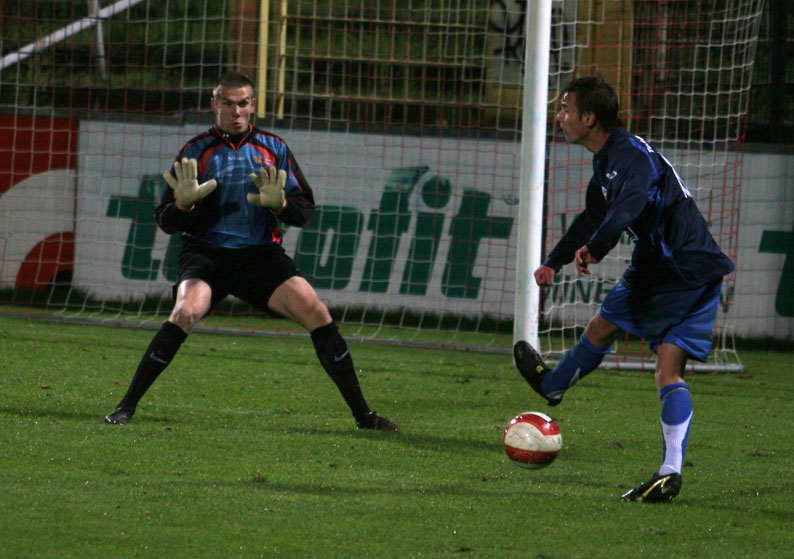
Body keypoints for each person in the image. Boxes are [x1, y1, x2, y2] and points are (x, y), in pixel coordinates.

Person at [105, 71, 398, 432]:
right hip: (206, 255)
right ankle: (125, 407)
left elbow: (304, 211)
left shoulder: (274, 148)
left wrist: (281, 205)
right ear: (215, 105)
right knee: (185, 311)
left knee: (317, 312)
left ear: (253, 104)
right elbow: (164, 220)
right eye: (228, 103)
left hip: (261, 257)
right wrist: (182, 206)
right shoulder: (196, 151)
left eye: (243, 103)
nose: (237, 111)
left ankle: (364, 416)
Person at [514, 76, 734, 503]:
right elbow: (594, 216)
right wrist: (554, 260)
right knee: (667, 371)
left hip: (668, 269)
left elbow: (629, 205)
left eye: (565, 109)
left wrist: (596, 249)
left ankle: (553, 385)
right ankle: (669, 472)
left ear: (589, 118)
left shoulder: (627, 157)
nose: (559, 117)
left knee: (605, 327)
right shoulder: (612, 159)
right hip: (700, 267)